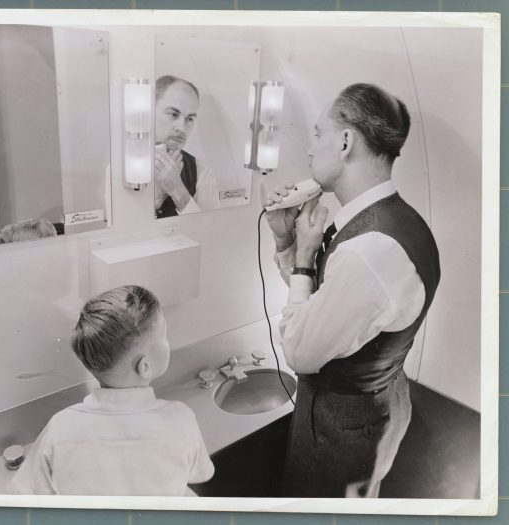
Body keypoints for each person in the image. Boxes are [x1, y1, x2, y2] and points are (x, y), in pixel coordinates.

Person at [263, 83, 440, 498]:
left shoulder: (368, 250)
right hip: (380, 406)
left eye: (318, 134)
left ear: (345, 142)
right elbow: (330, 311)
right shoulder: (396, 220)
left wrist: (304, 258)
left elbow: (300, 353)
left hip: (341, 425)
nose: (311, 150)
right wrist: (288, 245)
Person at [8, 285, 214, 495]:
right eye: (165, 335)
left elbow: (23, 494)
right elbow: (200, 474)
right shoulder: (180, 419)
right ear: (145, 366)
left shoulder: (59, 427)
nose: (168, 340)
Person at [154, 75, 219, 218]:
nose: (182, 128)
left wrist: (177, 190)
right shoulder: (121, 168)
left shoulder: (203, 173)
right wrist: (157, 198)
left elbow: (211, 232)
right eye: (173, 114)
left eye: (189, 119)